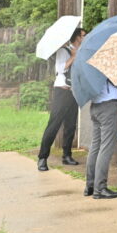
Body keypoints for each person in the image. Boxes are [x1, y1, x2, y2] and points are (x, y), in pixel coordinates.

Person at [36, 27, 83, 171]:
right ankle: (42, 158)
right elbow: (60, 69)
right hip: (62, 91)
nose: (85, 37)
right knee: (54, 124)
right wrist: (73, 56)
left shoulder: (80, 52)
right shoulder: (63, 51)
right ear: (77, 38)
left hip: (74, 91)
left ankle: (67, 155)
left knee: (70, 125)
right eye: (83, 35)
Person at [82, 49, 117, 200]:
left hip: (95, 106)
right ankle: (100, 188)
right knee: (106, 147)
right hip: (107, 106)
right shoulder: (103, 64)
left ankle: (90, 185)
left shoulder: (87, 66)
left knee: (95, 146)